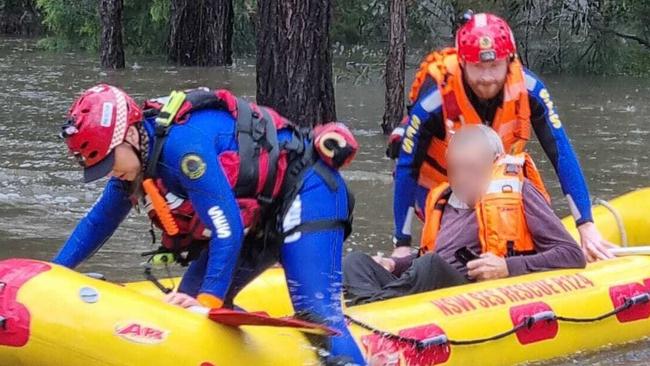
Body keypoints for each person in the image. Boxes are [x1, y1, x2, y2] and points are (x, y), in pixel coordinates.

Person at [53, 85, 365, 365]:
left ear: (131, 136)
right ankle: (279, 357)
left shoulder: (182, 151)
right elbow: (97, 222)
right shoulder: (135, 163)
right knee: (186, 305)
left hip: (309, 192)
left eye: (109, 163)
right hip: (261, 214)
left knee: (317, 314)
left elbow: (226, 230)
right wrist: (52, 273)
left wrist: (208, 302)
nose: (109, 173)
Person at [388, 12, 614, 262]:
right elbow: (407, 167)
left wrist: (586, 224)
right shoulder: (434, 99)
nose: (487, 78)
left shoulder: (531, 90)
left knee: (515, 211)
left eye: (495, 66)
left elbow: (561, 153)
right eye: (477, 67)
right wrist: (402, 243)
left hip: (493, 181)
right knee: (449, 249)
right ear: (462, 63)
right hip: (439, 185)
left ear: (510, 60)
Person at [344, 125, 586, 305]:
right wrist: (394, 264)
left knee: (429, 266)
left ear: (495, 163)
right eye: (454, 170)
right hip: (425, 286)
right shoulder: (445, 199)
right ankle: (368, 310)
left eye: (470, 169)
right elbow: (432, 254)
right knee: (355, 262)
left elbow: (572, 254)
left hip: (468, 297)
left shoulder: (520, 192)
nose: (461, 179)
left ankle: (372, 308)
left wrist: (508, 266)